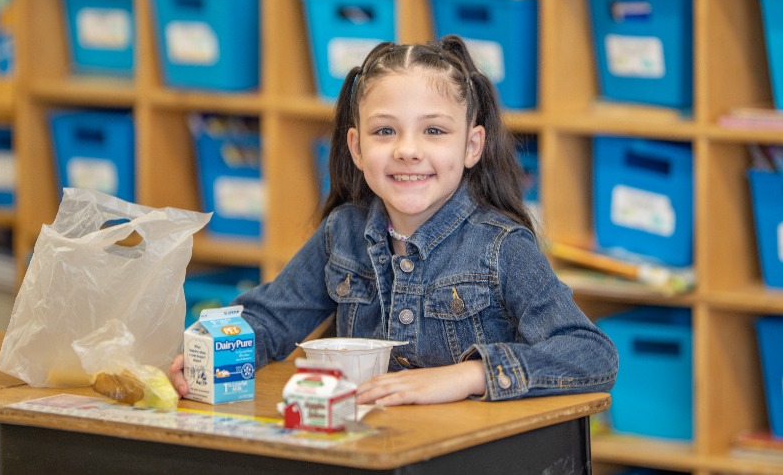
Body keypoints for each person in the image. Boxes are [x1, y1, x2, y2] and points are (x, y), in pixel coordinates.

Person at [170, 35, 618, 406]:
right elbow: (270, 320)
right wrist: (209, 350)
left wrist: (469, 375)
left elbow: (591, 354)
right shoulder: (341, 234)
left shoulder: (501, 246)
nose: (408, 149)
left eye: (434, 131)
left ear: (472, 145)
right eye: (385, 131)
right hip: (367, 448)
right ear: (357, 147)